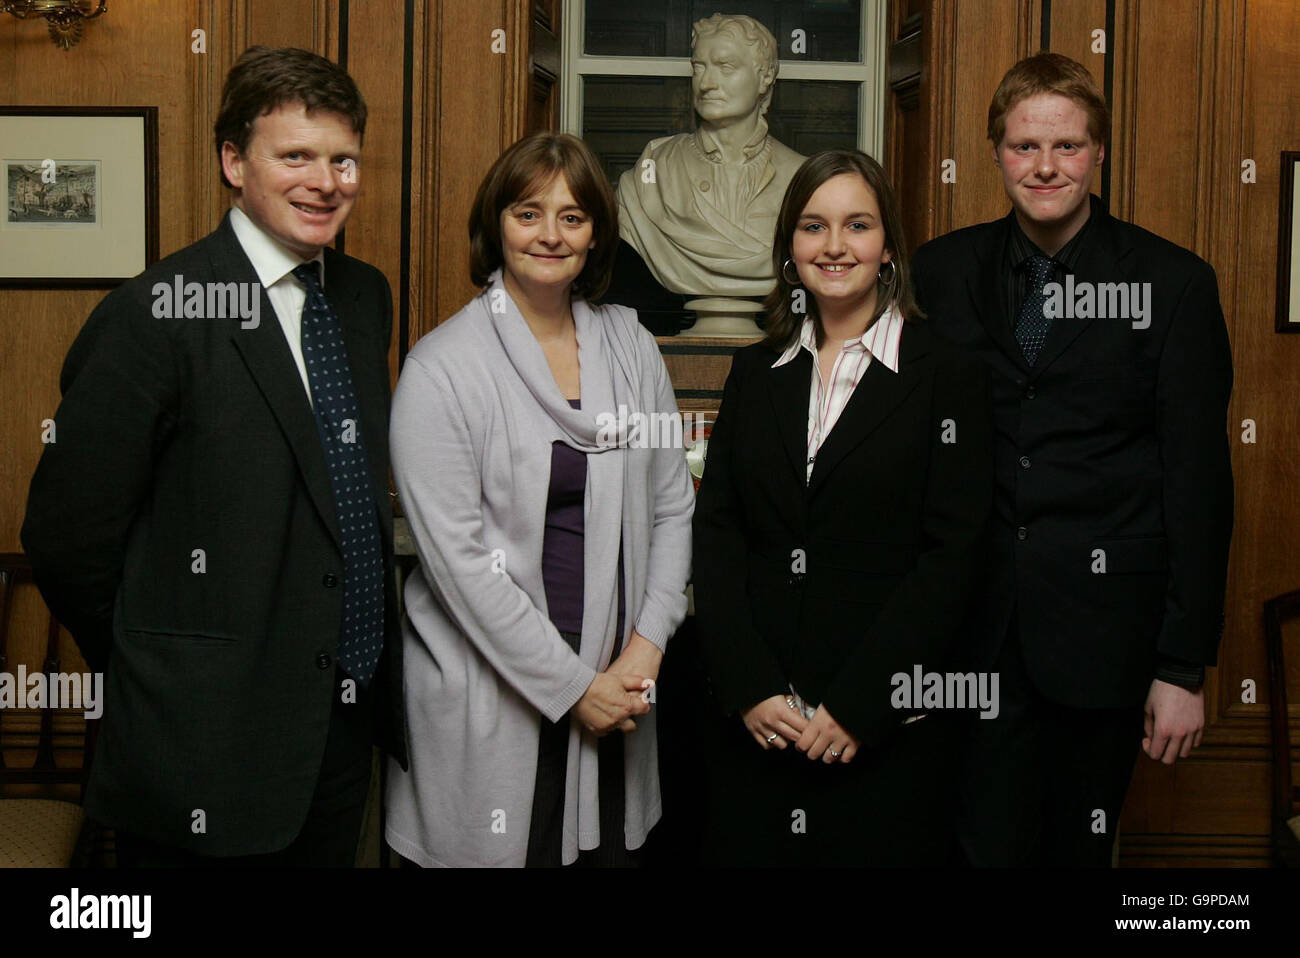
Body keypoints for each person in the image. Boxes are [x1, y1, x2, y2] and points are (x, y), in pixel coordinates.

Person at [20, 46, 406, 866]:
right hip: (203, 741)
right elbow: (67, 538)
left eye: (344, 159)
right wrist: (166, 665)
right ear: (233, 161)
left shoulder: (365, 297)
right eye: (295, 156)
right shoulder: (154, 313)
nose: (326, 181)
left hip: (342, 725)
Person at [912, 52, 1234, 867]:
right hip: (967, 638)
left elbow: (1199, 486)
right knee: (972, 850)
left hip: (1106, 642)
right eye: (1024, 147)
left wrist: (1182, 666)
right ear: (995, 153)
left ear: (1098, 154)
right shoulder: (941, 274)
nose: (1044, 166)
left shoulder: (1175, 285)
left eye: (1066, 147)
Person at [385, 132, 695, 868]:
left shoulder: (633, 346)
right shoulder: (441, 368)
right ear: (496, 223)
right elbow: (459, 566)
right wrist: (573, 687)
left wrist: (642, 655)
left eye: (573, 216)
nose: (550, 235)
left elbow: (672, 506)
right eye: (529, 213)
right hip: (497, 703)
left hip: (623, 694)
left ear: (596, 235)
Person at [692, 149, 994, 866]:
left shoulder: (948, 375)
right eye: (812, 226)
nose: (833, 247)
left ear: (888, 246)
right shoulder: (754, 372)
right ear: (789, 248)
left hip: (884, 732)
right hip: (762, 730)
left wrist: (863, 703)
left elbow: (953, 556)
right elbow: (719, 533)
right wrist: (750, 686)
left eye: (856, 225)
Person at [615, 13, 804, 300]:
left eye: (725, 67)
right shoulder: (654, 167)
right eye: (699, 67)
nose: (706, 84)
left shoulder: (800, 175)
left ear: (765, 77)